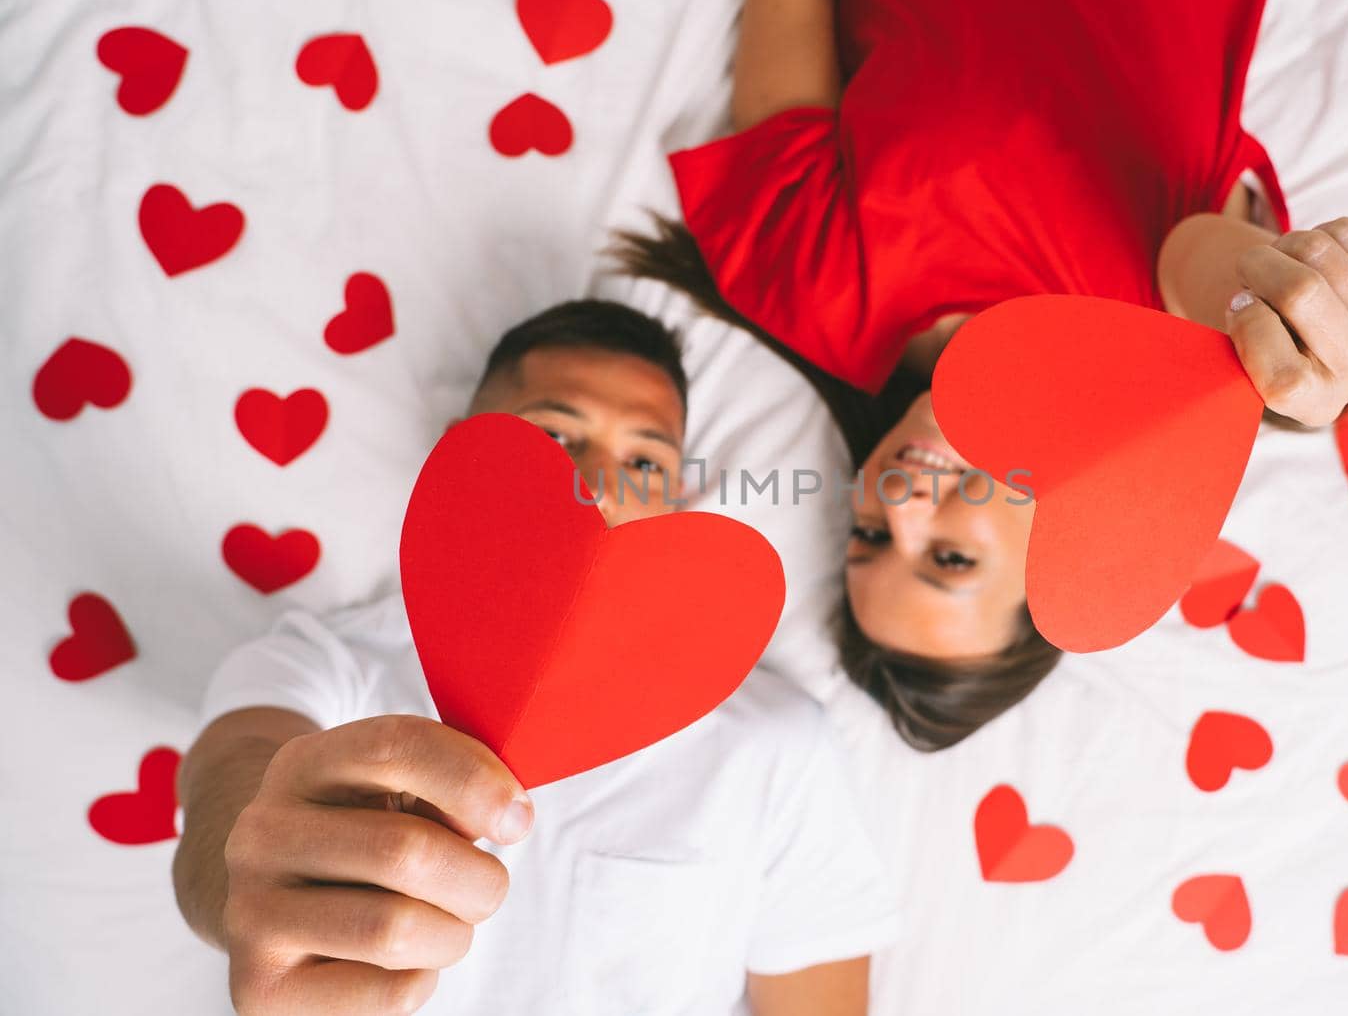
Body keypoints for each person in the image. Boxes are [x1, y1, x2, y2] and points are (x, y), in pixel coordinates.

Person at [623, 0, 1348, 751]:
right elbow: (1213, 266)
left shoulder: (809, 287)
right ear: (1059, 557)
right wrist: (1288, 320)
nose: (896, 502)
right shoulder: (1164, 344)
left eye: (866, 538)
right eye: (947, 556)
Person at [172, 300, 899, 1016]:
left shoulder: (775, 745)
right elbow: (234, 779)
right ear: (464, 452)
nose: (601, 484)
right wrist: (252, 870)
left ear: (676, 501)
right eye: (556, 435)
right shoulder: (324, 664)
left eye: (645, 459)